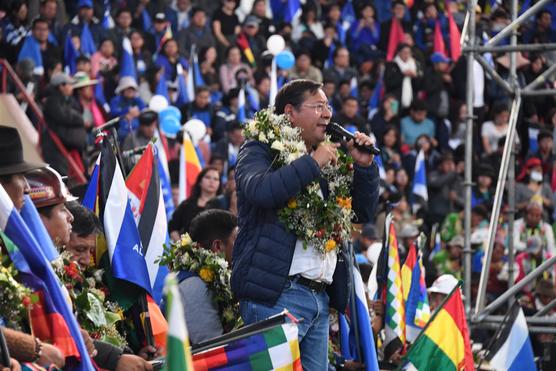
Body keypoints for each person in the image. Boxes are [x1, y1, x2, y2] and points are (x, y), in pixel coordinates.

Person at [232, 79, 379, 370]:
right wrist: (313, 163)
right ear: (290, 112)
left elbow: (360, 212)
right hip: (277, 294)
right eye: (318, 106)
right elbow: (262, 191)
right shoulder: (259, 148)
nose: (327, 114)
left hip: (318, 298)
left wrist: (364, 168)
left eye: (328, 107)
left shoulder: (326, 161)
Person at [176, 210, 238, 344]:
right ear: (217, 246)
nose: (242, 246)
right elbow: (213, 347)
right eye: (237, 240)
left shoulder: (207, 278)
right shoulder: (193, 285)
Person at [42, 72, 87, 177]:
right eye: (69, 84)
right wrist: (79, 119)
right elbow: (63, 117)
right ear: (61, 86)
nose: (72, 87)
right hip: (55, 147)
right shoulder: (52, 101)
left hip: (63, 145)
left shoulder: (65, 100)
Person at [168, 166, 221, 239]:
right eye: (208, 177)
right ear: (200, 181)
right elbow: (172, 227)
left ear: (219, 183)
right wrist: (181, 245)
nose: (212, 181)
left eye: (216, 179)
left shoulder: (223, 204)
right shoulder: (187, 204)